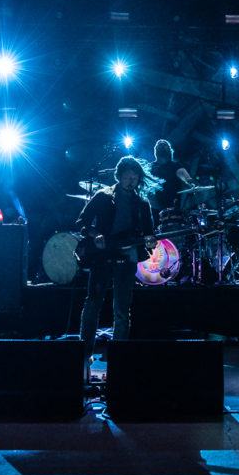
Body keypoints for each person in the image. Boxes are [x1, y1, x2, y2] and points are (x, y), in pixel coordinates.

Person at [76, 156, 156, 371]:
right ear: (119, 177)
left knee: (122, 308)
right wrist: (95, 234)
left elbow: (149, 234)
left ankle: (119, 356)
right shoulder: (103, 196)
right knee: (93, 302)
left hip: (127, 258)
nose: (131, 181)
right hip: (102, 258)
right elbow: (81, 222)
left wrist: (150, 240)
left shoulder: (142, 203)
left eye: (135, 178)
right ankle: (85, 354)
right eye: (127, 177)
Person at [148, 139, 196, 216]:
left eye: (165, 144)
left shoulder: (175, 166)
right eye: (159, 144)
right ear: (155, 150)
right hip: (154, 208)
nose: (162, 145)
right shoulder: (149, 167)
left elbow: (182, 173)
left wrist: (188, 180)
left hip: (174, 207)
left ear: (170, 150)